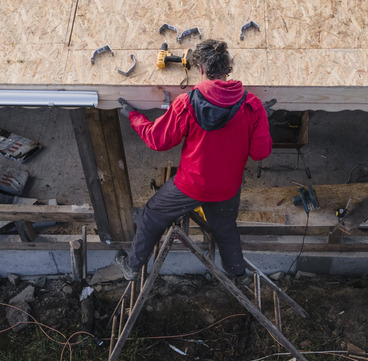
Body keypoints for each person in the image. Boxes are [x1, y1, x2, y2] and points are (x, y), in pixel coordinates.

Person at [114, 39, 273, 283]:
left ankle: (132, 267)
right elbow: (260, 153)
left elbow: (158, 140)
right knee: (226, 230)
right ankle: (238, 275)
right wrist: (261, 122)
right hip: (227, 188)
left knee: (153, 214)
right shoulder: (252, 106)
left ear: (200, 69)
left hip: (189, 185)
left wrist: (134, 117)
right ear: (228, 68)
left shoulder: (186, 103)